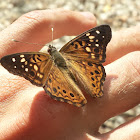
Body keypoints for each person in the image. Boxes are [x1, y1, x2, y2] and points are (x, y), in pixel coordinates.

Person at [0, 9, 140, 140]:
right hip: (82, 68)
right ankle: (93, 87)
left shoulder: (39, 60)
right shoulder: (71, 48)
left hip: (58, 80)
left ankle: (83, 94)